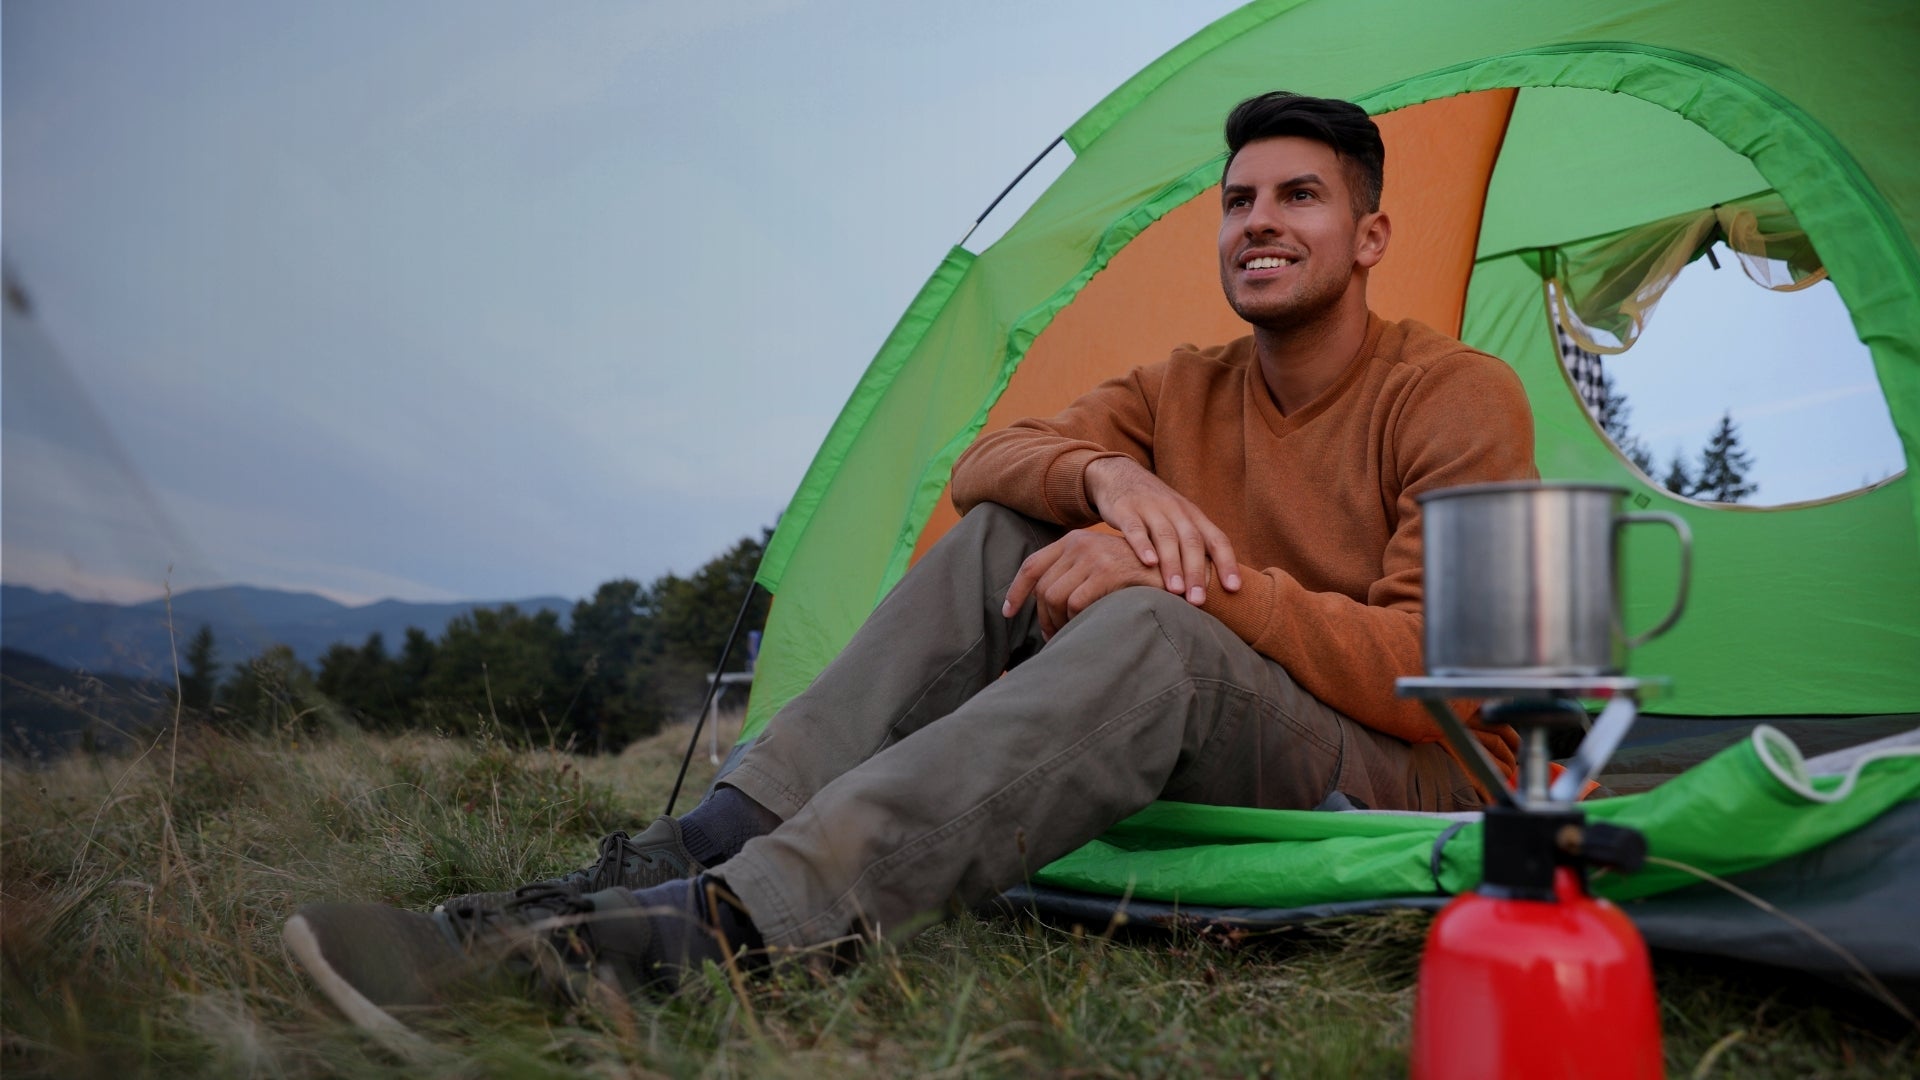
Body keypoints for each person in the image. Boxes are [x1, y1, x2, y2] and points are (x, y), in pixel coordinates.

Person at [284, 90, 1537, 1023]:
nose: (1258, 222)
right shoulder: (1182, 388)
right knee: (1011, 528)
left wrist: (1192, 578)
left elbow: (1441, 676)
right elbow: (986, 460)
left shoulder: (1454, 397)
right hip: (1226, 726)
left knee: (1162, 632)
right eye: (1238, 201)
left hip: (1392, 776)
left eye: (1299, 197)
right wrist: (1107, 478)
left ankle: (721, 938)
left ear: (1371, 237)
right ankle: (709, 840)